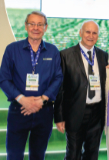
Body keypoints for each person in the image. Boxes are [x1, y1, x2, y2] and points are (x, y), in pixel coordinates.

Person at [0, 11, 63, 160]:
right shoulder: (12, 49)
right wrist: (23, 99)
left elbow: (58, 77)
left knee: (38, 156)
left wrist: (42, 100)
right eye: (32, 24)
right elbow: (4, 79)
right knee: (14, 155)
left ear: (45, 27)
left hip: (44, 111)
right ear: (26, 26)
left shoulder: (53, 51)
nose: (36, 28)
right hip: (19, 109)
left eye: (40, 24)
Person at [54, 20, 109, 160]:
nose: (91, 36)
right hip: (75, 112)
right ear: (80, 33)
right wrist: (59, 117)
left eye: (94, 33)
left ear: (98, 35)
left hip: (97, 113)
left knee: (92, 154)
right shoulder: (65, 55)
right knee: (73, 154)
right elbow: (59, 89)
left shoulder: (103, 56)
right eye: (88, 32)